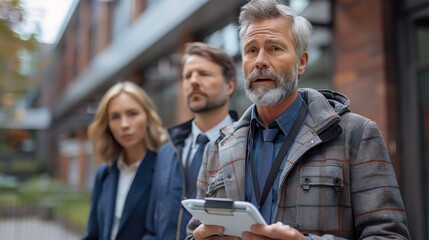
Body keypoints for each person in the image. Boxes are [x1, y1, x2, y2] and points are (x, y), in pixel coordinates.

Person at [186, 0, 410, 239]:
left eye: (274, 48)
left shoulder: (356, 135)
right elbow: (192, 233)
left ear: (301, 62)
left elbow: (390, 235)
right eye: (251, 50)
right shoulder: (217, 149)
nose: (260, 60)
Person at [144, 42, 239, 240]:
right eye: (187, 76)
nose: (193, 81)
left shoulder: (248, 146)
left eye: (204, 74)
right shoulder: (167, 150)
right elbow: (152, 225)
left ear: (229, 85)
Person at [83, 81, 168, 240]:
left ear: (148, 117)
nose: (124, 125)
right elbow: (93, 234)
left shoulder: (164, 169)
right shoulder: (104, 173)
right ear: (107, 125)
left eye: (132, 114)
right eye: (115, 117)